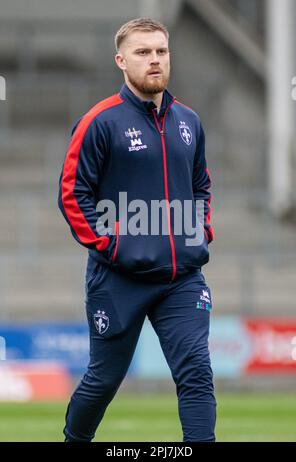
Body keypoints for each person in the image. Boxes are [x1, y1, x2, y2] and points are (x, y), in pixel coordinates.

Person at [58, 17, 216, 442]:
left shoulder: (189, 122)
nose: (154, 60)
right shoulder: (100, 122)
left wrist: (199, 233)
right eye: (143, 52)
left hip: (181, 279)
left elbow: (201, 184)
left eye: (161, 51)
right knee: (103, 380)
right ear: (121, 60)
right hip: (118, 278)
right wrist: (112, 246)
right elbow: (73, 195)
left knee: (197, 371)